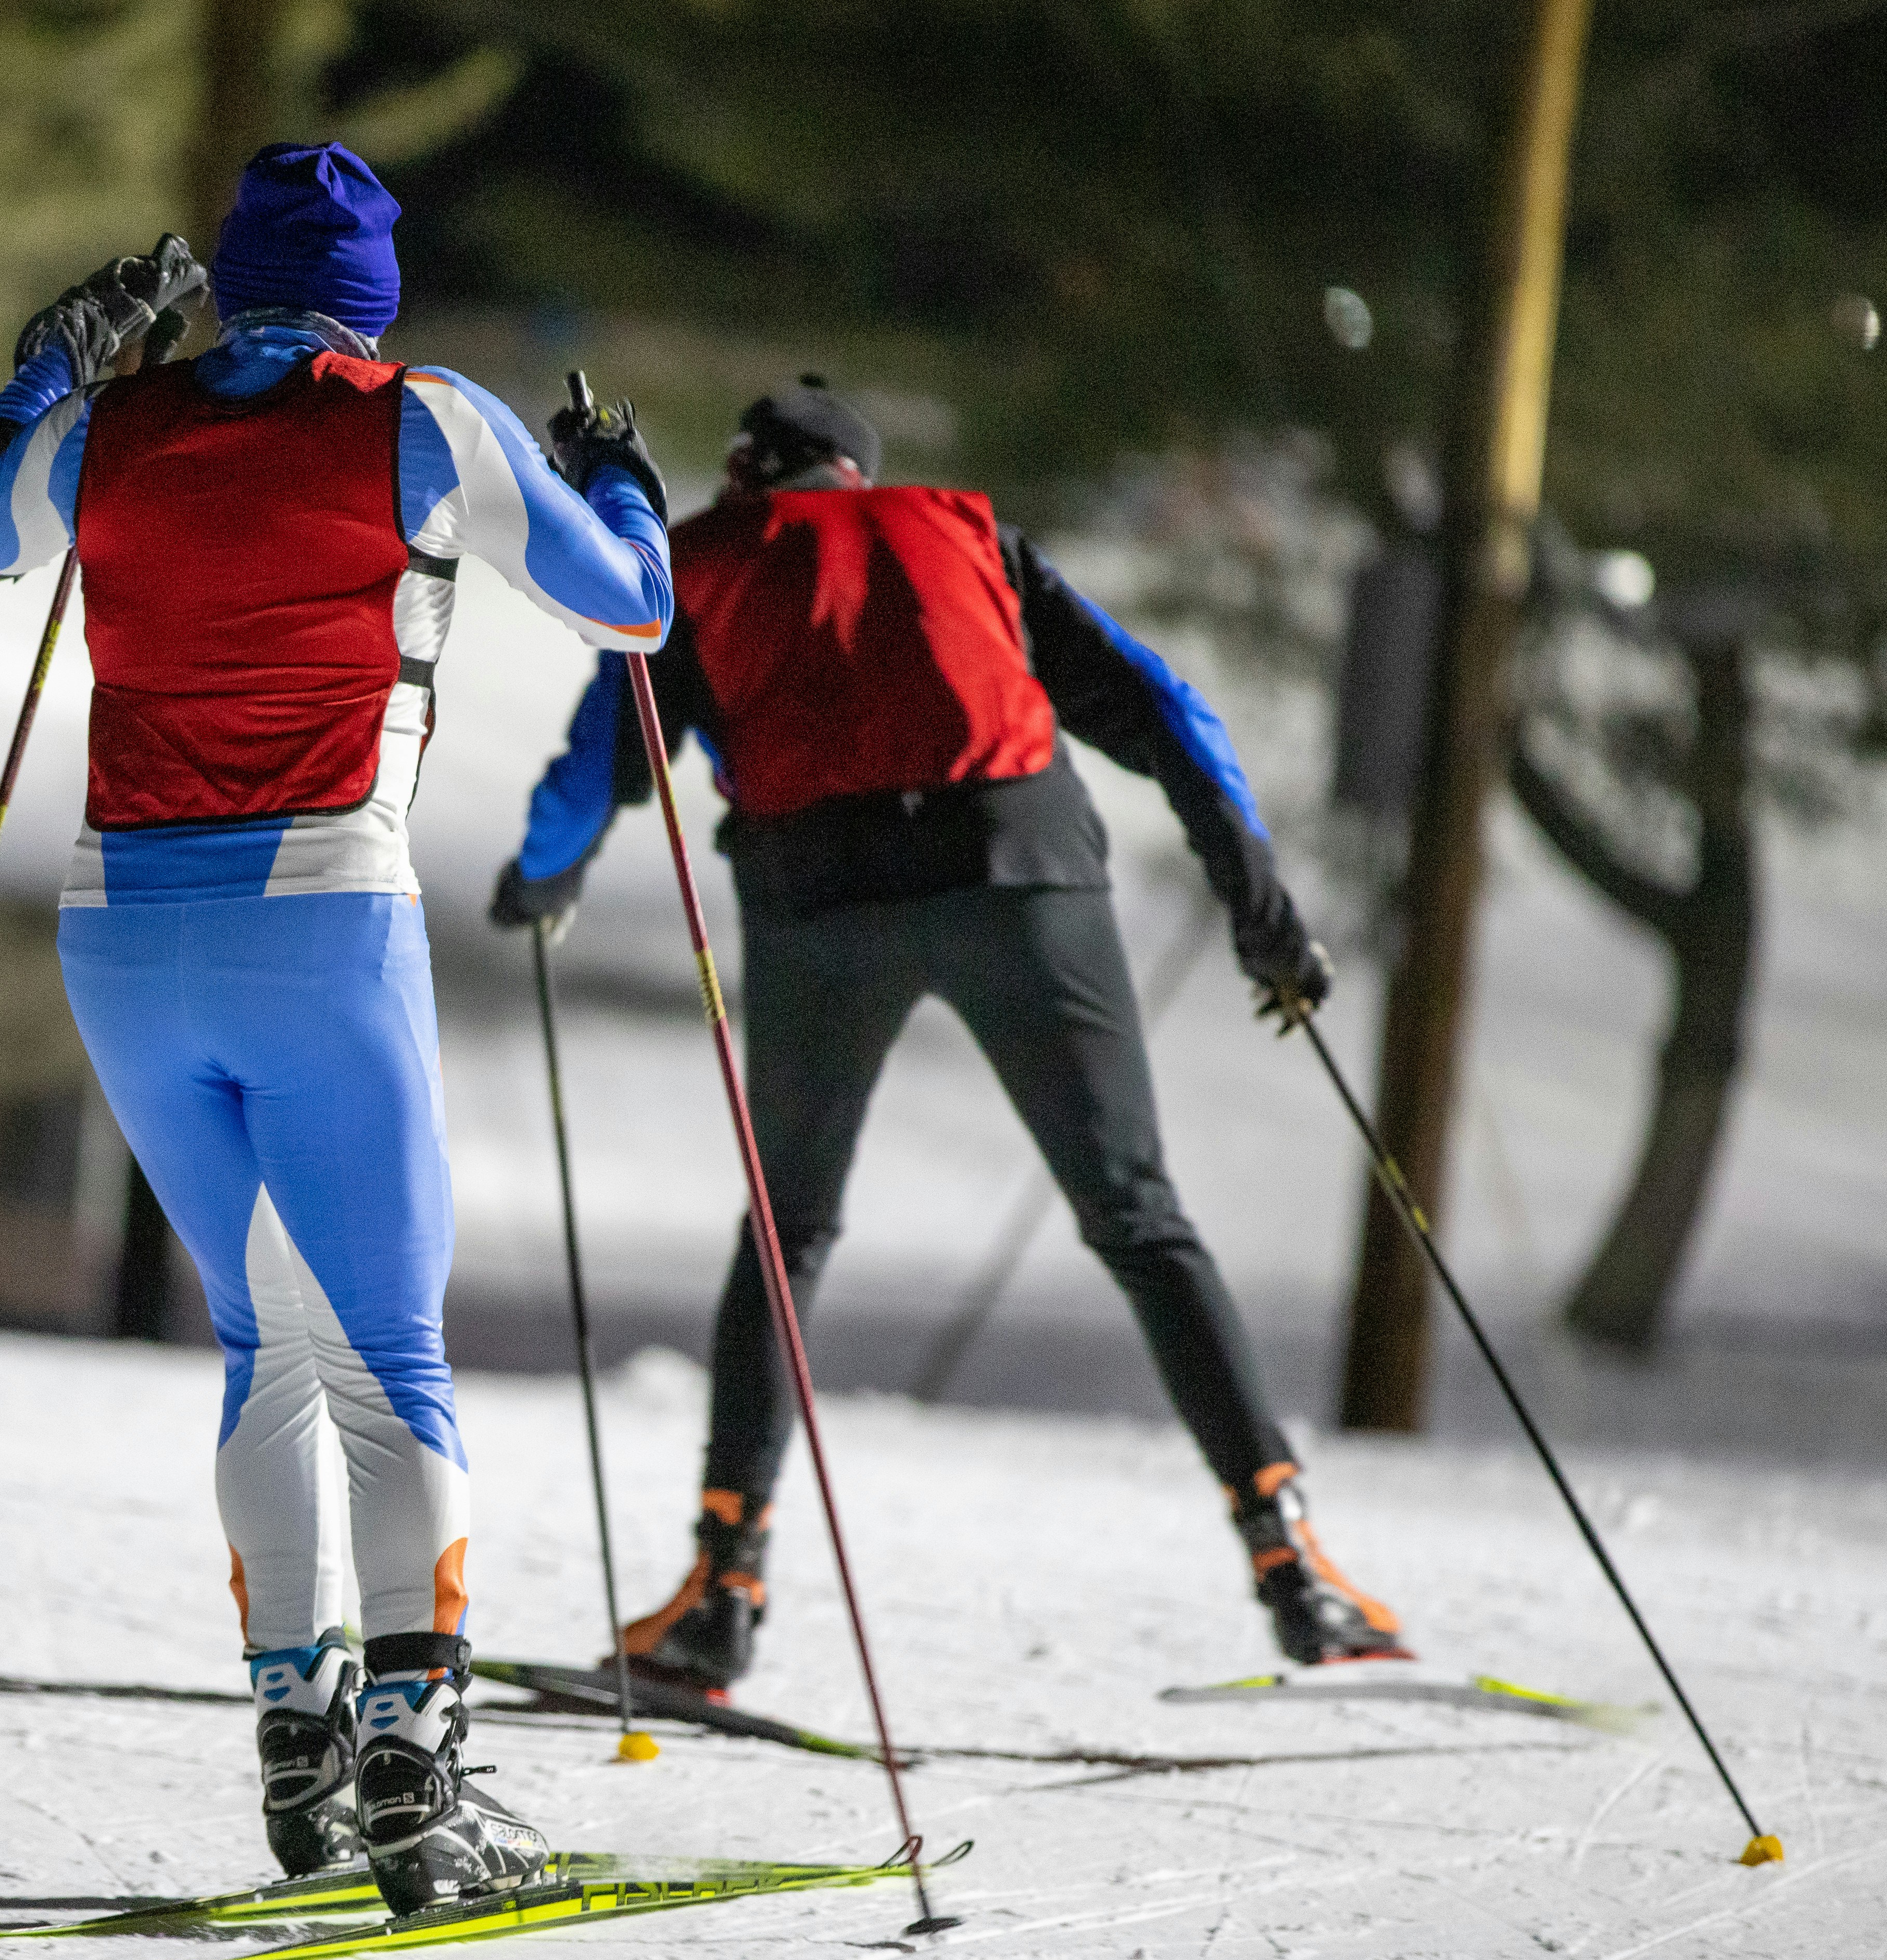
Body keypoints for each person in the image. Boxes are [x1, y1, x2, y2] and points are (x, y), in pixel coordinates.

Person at [0, 143, 673, 1910]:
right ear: (370, 296)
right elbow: (634, 603)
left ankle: (298, 1729)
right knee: (385, 1354)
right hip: (323, 919)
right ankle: (417, 1766)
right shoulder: (425, 419)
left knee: (266, 1338)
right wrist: (622, 474)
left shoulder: (116, 428)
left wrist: (55, 362)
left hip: (125, 934)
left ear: (232, 280)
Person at [490, 377, 1406, 1696]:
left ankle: (722, 1592)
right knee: (1136, 1215)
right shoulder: (967, 533)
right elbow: (1158, 712)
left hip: (819, 902)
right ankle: (1293, 1564)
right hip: (1019, 870)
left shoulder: (698, 560)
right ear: (857, 478)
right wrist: (1257, 905)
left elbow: (603, 762)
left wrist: (541, 878)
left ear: (750, 470)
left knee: (787, 1230)